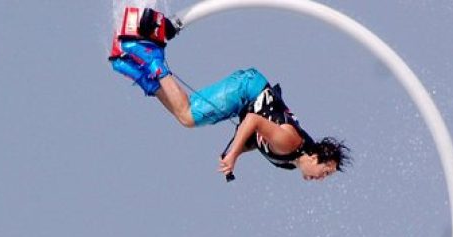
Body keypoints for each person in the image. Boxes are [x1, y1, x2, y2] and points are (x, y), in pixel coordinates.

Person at [109, 8, 350, 181]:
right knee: (190, 114)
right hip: (248, 90)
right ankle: (149, 57)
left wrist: (235, 151)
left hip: (247, 97)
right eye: (325, 173)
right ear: (315, 157)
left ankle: (135, 67)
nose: (321, 179)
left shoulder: (288, 161)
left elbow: (257, 138)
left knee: (185, 117)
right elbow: (253, 121)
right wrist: (234, 155)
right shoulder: (290, 144)